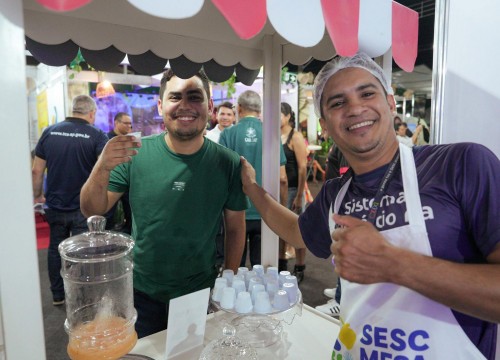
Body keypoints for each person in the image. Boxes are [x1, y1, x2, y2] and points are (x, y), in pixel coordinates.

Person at [240, 53, 500, 359]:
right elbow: (295, 231)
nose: (355, 108)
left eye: (367, 93)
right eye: (337, 103)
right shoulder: (336, 193)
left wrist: (392, 263)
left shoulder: (460, 165)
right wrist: (252, 188)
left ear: (390, 103)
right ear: (324, 124)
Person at [80, 69, 248, 338]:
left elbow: (236, 228)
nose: (185, 106)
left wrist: (229, 281)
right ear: (160, 106)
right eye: (175, 97)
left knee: (194, 355)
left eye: (194, 97)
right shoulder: (135, 153)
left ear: (210, 106)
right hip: (142, 291)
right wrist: (101, 167)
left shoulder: (228, 162)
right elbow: (92, 209)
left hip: (199, 291)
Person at [32, 95, 109, 306]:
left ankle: (57, 295)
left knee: (55, 248)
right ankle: (80, 298)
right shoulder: (96, 135)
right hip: (82, 207)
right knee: (81, 253)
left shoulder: (49, 132)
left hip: (55, 204)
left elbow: (37, 170)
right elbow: (104, 171)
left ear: (73, 109)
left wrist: (38, 195)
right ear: (91, 113)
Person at [219, 90, 287, 267]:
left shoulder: (227, 134)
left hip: (235, 211)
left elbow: (222, 175)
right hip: (265, 209)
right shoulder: (272, 134)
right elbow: (282, 178)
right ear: (259, 110)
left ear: (239, 108)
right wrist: (282, 206)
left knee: (234, 268)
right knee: (263, 267)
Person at [205, 101, 235, 270]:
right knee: (216, 226)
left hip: (232, 187)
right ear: (216, 115)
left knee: (233, 226)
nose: (225, 117)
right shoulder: (209, 136)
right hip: (213, 187)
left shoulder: (237, 135)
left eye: (229, 114)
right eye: (222, 114)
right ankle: (217, 261)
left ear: (234, 117)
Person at [279, 102, 308, 281]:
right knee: (280, 228)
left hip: (292, 189)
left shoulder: (295, 137)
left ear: (289, 116)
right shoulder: (275, 135)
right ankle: (282, 263)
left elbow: (303, 167)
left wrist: (299, 195)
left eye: (280, 114)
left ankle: (300, 266)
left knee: (297, 229)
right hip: (279, 189)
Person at [106, 112, 133, 232]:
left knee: (130, 211)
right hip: (111, 181)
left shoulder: (130, 139)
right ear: (116, 123)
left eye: (130, 124)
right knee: (108, 213)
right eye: (126, 123)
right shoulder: (107, 139)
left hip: (127, 181)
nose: (129, 126)